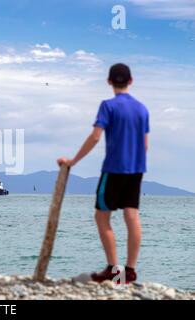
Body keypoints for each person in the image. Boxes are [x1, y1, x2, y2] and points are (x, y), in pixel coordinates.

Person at [57, 63, 150, 283]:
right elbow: (145, 145)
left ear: (109, 81)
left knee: (101, 216)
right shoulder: (142, 109)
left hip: (114, 168)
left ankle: (113, 270)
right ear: (131, 80)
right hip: (136, 169)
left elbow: (96, 137)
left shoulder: (108, 106)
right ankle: (130, 271)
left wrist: (73, 162)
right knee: (132, 216)